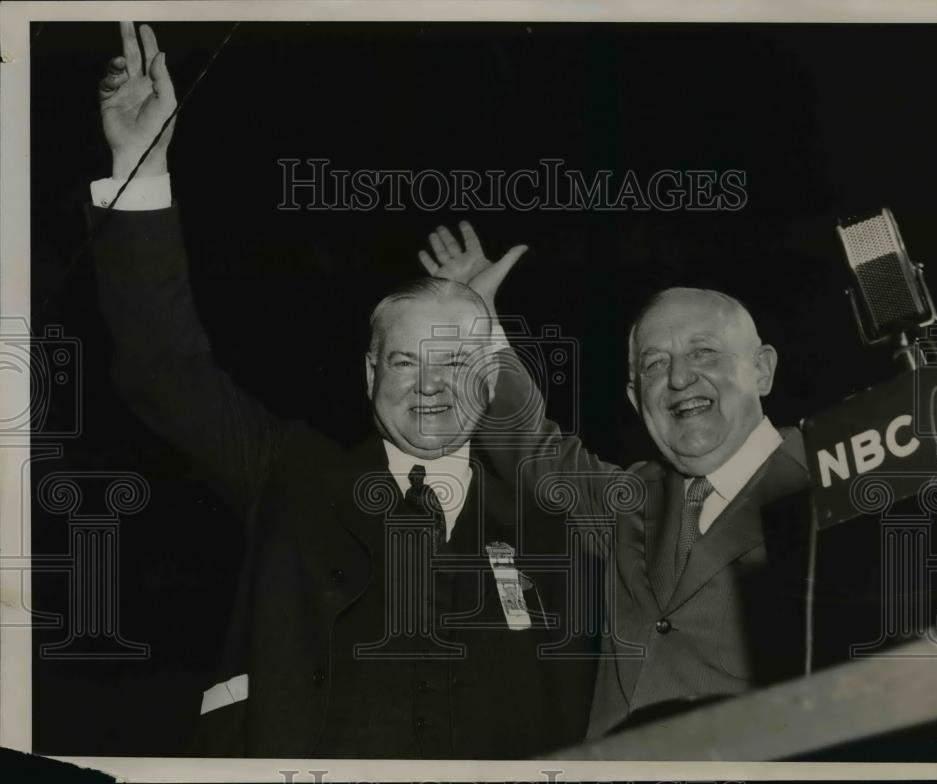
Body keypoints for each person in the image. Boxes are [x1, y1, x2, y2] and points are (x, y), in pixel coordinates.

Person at [89, 22, 600, 758]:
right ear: (368, 375)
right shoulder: (292, 475)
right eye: (403, 363)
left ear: (490, 376)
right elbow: (165, 369)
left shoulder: (550, 524)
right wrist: (138, 167)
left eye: (455, 363)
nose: (429, 387)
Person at [447, 266, 814, 739]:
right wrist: (478, 324)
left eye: (703, 351)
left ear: (761, 370)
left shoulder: (832, 483)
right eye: (654, 364)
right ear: (636, 399)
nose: (679, 377)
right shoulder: (633, 499)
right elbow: (533, 452)